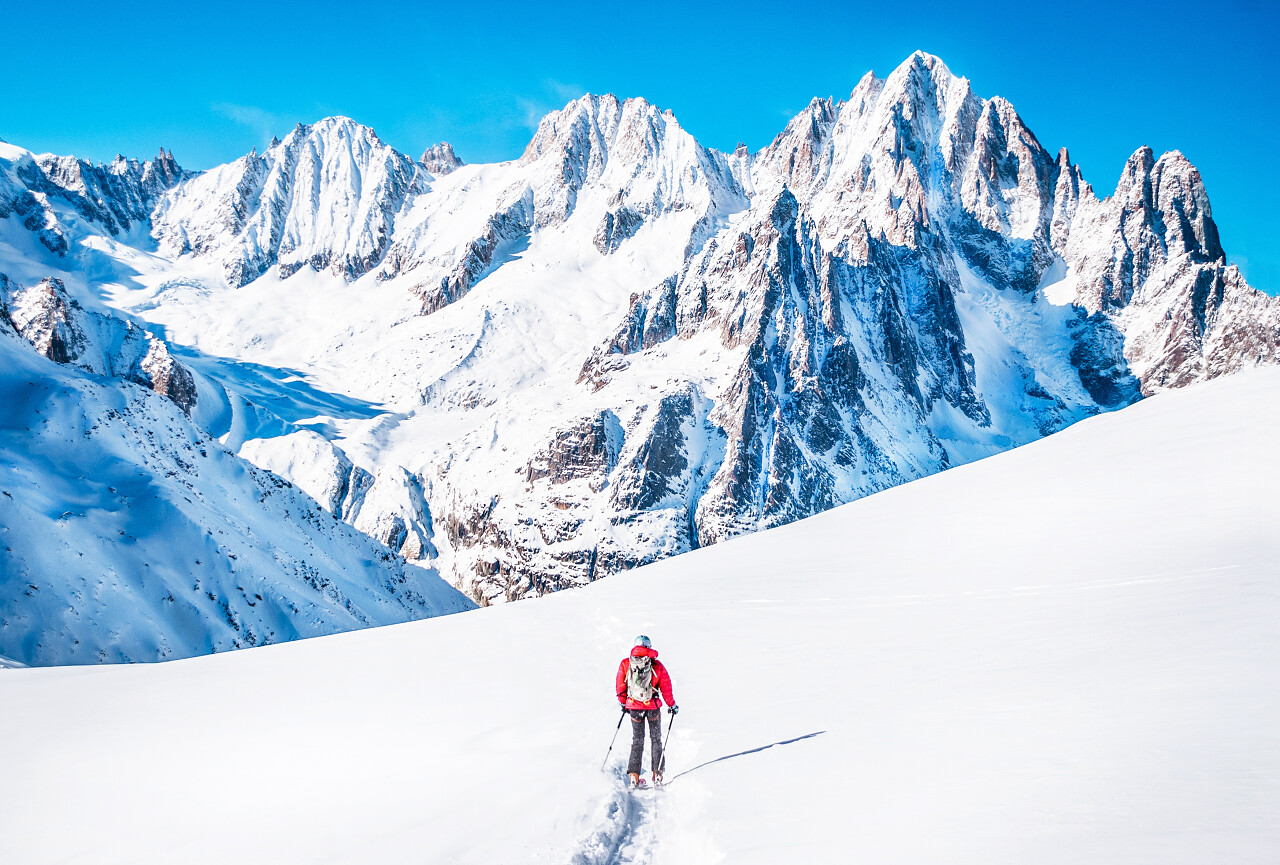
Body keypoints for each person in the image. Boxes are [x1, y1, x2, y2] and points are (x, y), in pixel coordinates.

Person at [616, 634, 677, 787]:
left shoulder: (626, 664)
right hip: (653, 708)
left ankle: (634, 776)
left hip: (634, 707)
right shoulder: (657, 665)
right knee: (656, 739)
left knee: (637, 740)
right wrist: (672, 705)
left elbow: (620, 685)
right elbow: (666, 687)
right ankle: (657, 774)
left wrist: (623, 702)